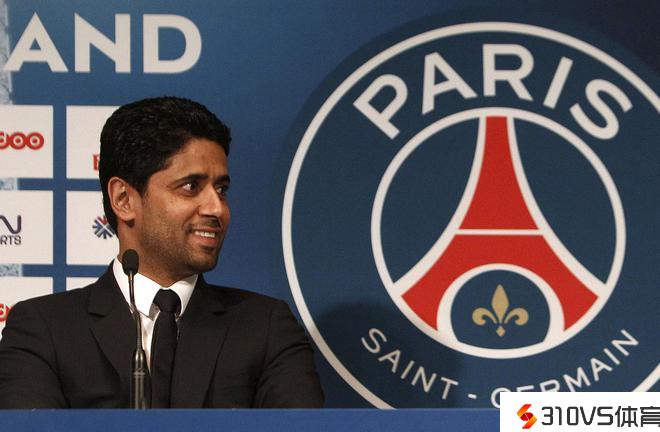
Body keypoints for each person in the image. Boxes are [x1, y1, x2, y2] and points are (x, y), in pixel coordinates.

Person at [0, 97, 324, 409]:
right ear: (124, 200)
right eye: (191, 187)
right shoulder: (43, 330)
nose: (217, 208)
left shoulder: (266, 328)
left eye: (221, 189)